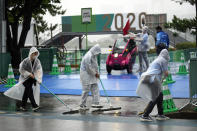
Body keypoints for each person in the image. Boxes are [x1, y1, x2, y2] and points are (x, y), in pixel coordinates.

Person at [4, 47, 43, 111]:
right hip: (24, 78)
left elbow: (39, 70)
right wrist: (29, 74)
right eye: (34, 54)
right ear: (31, 53)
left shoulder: (37, 61)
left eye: (36, 54)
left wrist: (39, 79)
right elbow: (21, 69)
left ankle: (23, 106)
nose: (35, 55)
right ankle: (34, 105)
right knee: (29, 89)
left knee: (27, 91)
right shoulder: (25, 61)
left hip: (32, 79)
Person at [136, 49, 170, 121]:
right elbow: (166, 73)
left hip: (147, 77)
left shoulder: (158, 59)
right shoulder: (163, 60)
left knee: (160, 96)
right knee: (155, 97)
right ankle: (145, 115)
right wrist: (167, 74)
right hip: (152, 78)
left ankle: (160, 114)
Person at [79, 44, 102, 110]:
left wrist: (97, 73)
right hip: (85, 74)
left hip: (92, 74)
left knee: (95, 87)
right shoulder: (88, 56)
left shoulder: (94, 55)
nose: (97, 54)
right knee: (86, 89)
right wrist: (95, 73)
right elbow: (88, 68)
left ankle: (96, 103)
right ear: (95, 51)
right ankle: (82, 105)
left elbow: (95, 65)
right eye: (97, 52)